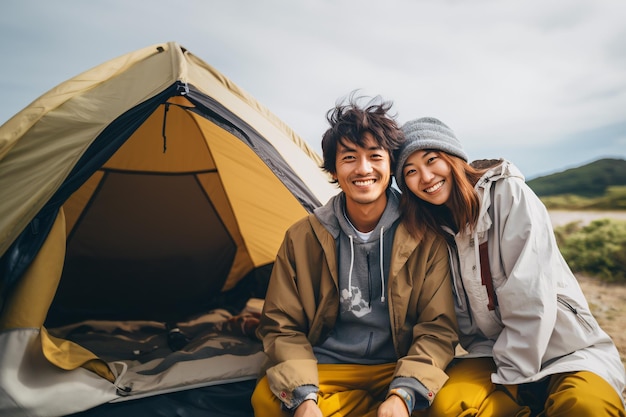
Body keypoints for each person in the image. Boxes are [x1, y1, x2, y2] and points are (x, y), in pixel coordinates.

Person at [394, 116, 626, 417]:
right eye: (410, 172)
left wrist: (514, 382)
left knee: (586, 408)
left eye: (431, 160)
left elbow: (531, 298)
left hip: (565, 348)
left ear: (453, 158)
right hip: (488, 352)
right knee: (447, 406)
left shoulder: (506, 194)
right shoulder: (430, 228)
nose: (425, 177)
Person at [250, 96, 459, 417]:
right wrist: (304, 397)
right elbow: (281, 326)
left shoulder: (425, 234)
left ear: (391, 165)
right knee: (269, 400)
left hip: (397, 363)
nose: (363, 169)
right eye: (349, 158)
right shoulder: (302, 236)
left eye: (375, 156)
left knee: (444, 405)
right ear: (333, 169)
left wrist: (403, 393)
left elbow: (437, 328)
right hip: (326, 366)